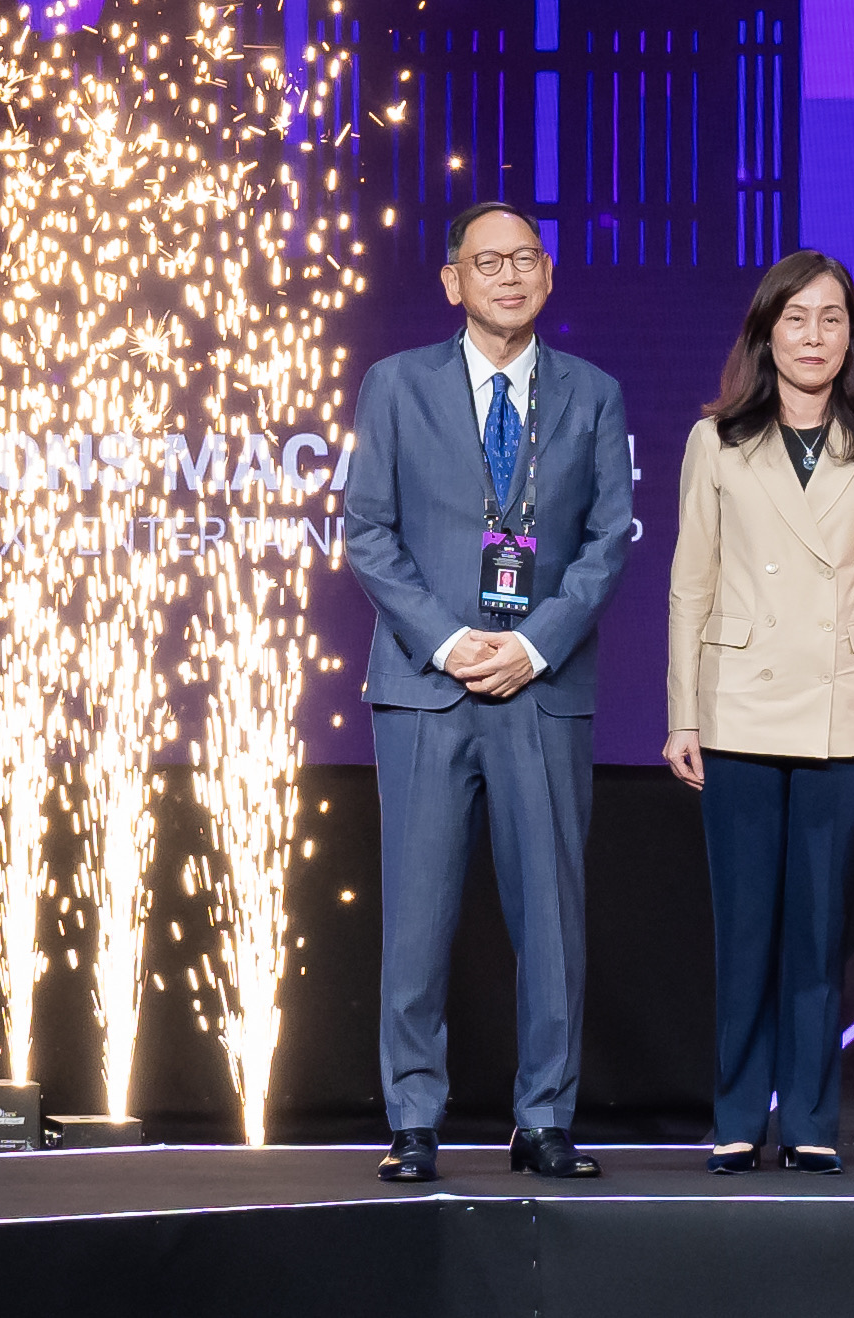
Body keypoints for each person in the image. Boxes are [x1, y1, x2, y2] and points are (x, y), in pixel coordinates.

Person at [342, 201, 638, 1184]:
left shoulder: (592, 391)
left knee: (551, 914)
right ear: (451, 280)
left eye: (524, 259)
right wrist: (452, 636)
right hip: (428, 687)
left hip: (541, 689)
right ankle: (413, 1117)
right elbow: (369, 532)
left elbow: (606, 541)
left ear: (547, 275)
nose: (507, 275)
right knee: (416, 914)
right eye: (486, 260)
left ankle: (543, 1116)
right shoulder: (395, 385)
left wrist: (536, 642)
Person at [661, 249, 854, 1177]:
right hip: (736, 707)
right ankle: (738, 1116)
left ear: (852, 336)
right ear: (766, 332)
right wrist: (681, 712)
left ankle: (811, 1119)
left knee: (818, 932)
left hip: (840, 710)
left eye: (832, 320)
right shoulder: (717, 441)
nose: (815, 337)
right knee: (745, 930)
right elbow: (690, 584)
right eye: (797, 319)